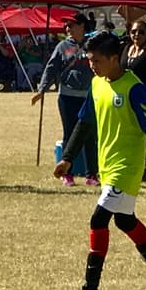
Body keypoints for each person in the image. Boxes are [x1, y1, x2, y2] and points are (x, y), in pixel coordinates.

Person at [56, 32, 146, 290]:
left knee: (98, 219)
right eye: (89, 60)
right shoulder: (97, 84)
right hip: (108, 166)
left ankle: (90, 288)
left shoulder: (133, 88)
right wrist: (68, 157)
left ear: (113, 59)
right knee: (124, 220)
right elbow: (84, 123)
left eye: (96, 60)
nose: (91, 65)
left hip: (127, 166)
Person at [32, 15, 97, 186]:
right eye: (66, 25)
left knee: (90, 135)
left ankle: (92, 174)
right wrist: (42, 89)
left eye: (71, 25)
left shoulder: (92, 43)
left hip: (89, 96)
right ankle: (67, 173)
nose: (67, 29)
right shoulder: (62, 46)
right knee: (69, 134)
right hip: (67, 96)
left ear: (82, 26)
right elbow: (51, 67)